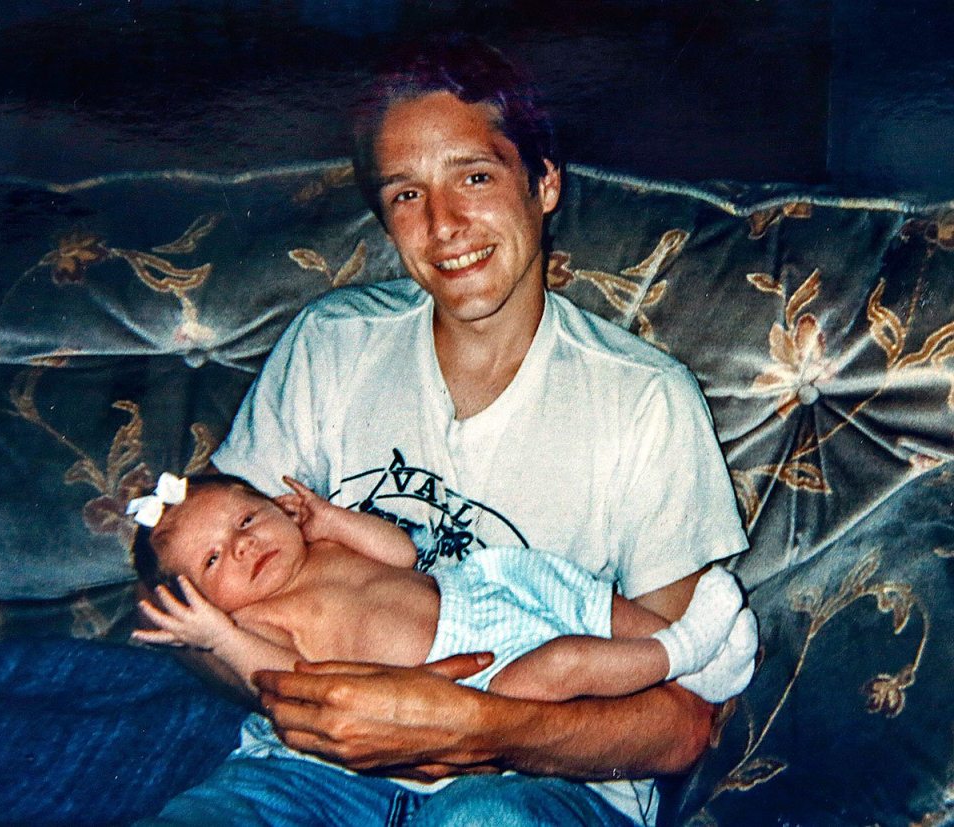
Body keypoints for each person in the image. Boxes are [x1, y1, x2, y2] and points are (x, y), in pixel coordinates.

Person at [151, 34, 751, 827]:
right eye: (406, 194)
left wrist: (478, 727)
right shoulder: (329, 347)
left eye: (474, 175)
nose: (444, 225)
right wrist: (322, 705)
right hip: (307, 770)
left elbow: (684, 719)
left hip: (533, 782)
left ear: (543, 183)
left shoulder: (646, 402)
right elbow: (189, 593)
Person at [128, 473, 756, 711]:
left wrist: (334, 520)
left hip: (475, 592)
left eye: (247, 520)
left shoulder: (322, 546)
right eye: (214, 560)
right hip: (468, 681)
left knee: (560, 584)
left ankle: (688, 660)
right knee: (564, 660)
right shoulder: (257, 624)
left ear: (280, 509)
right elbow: (285, 677)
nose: (242, 546)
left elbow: (401, 553)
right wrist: (219, 637)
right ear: (201, 602)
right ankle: (684, 651)